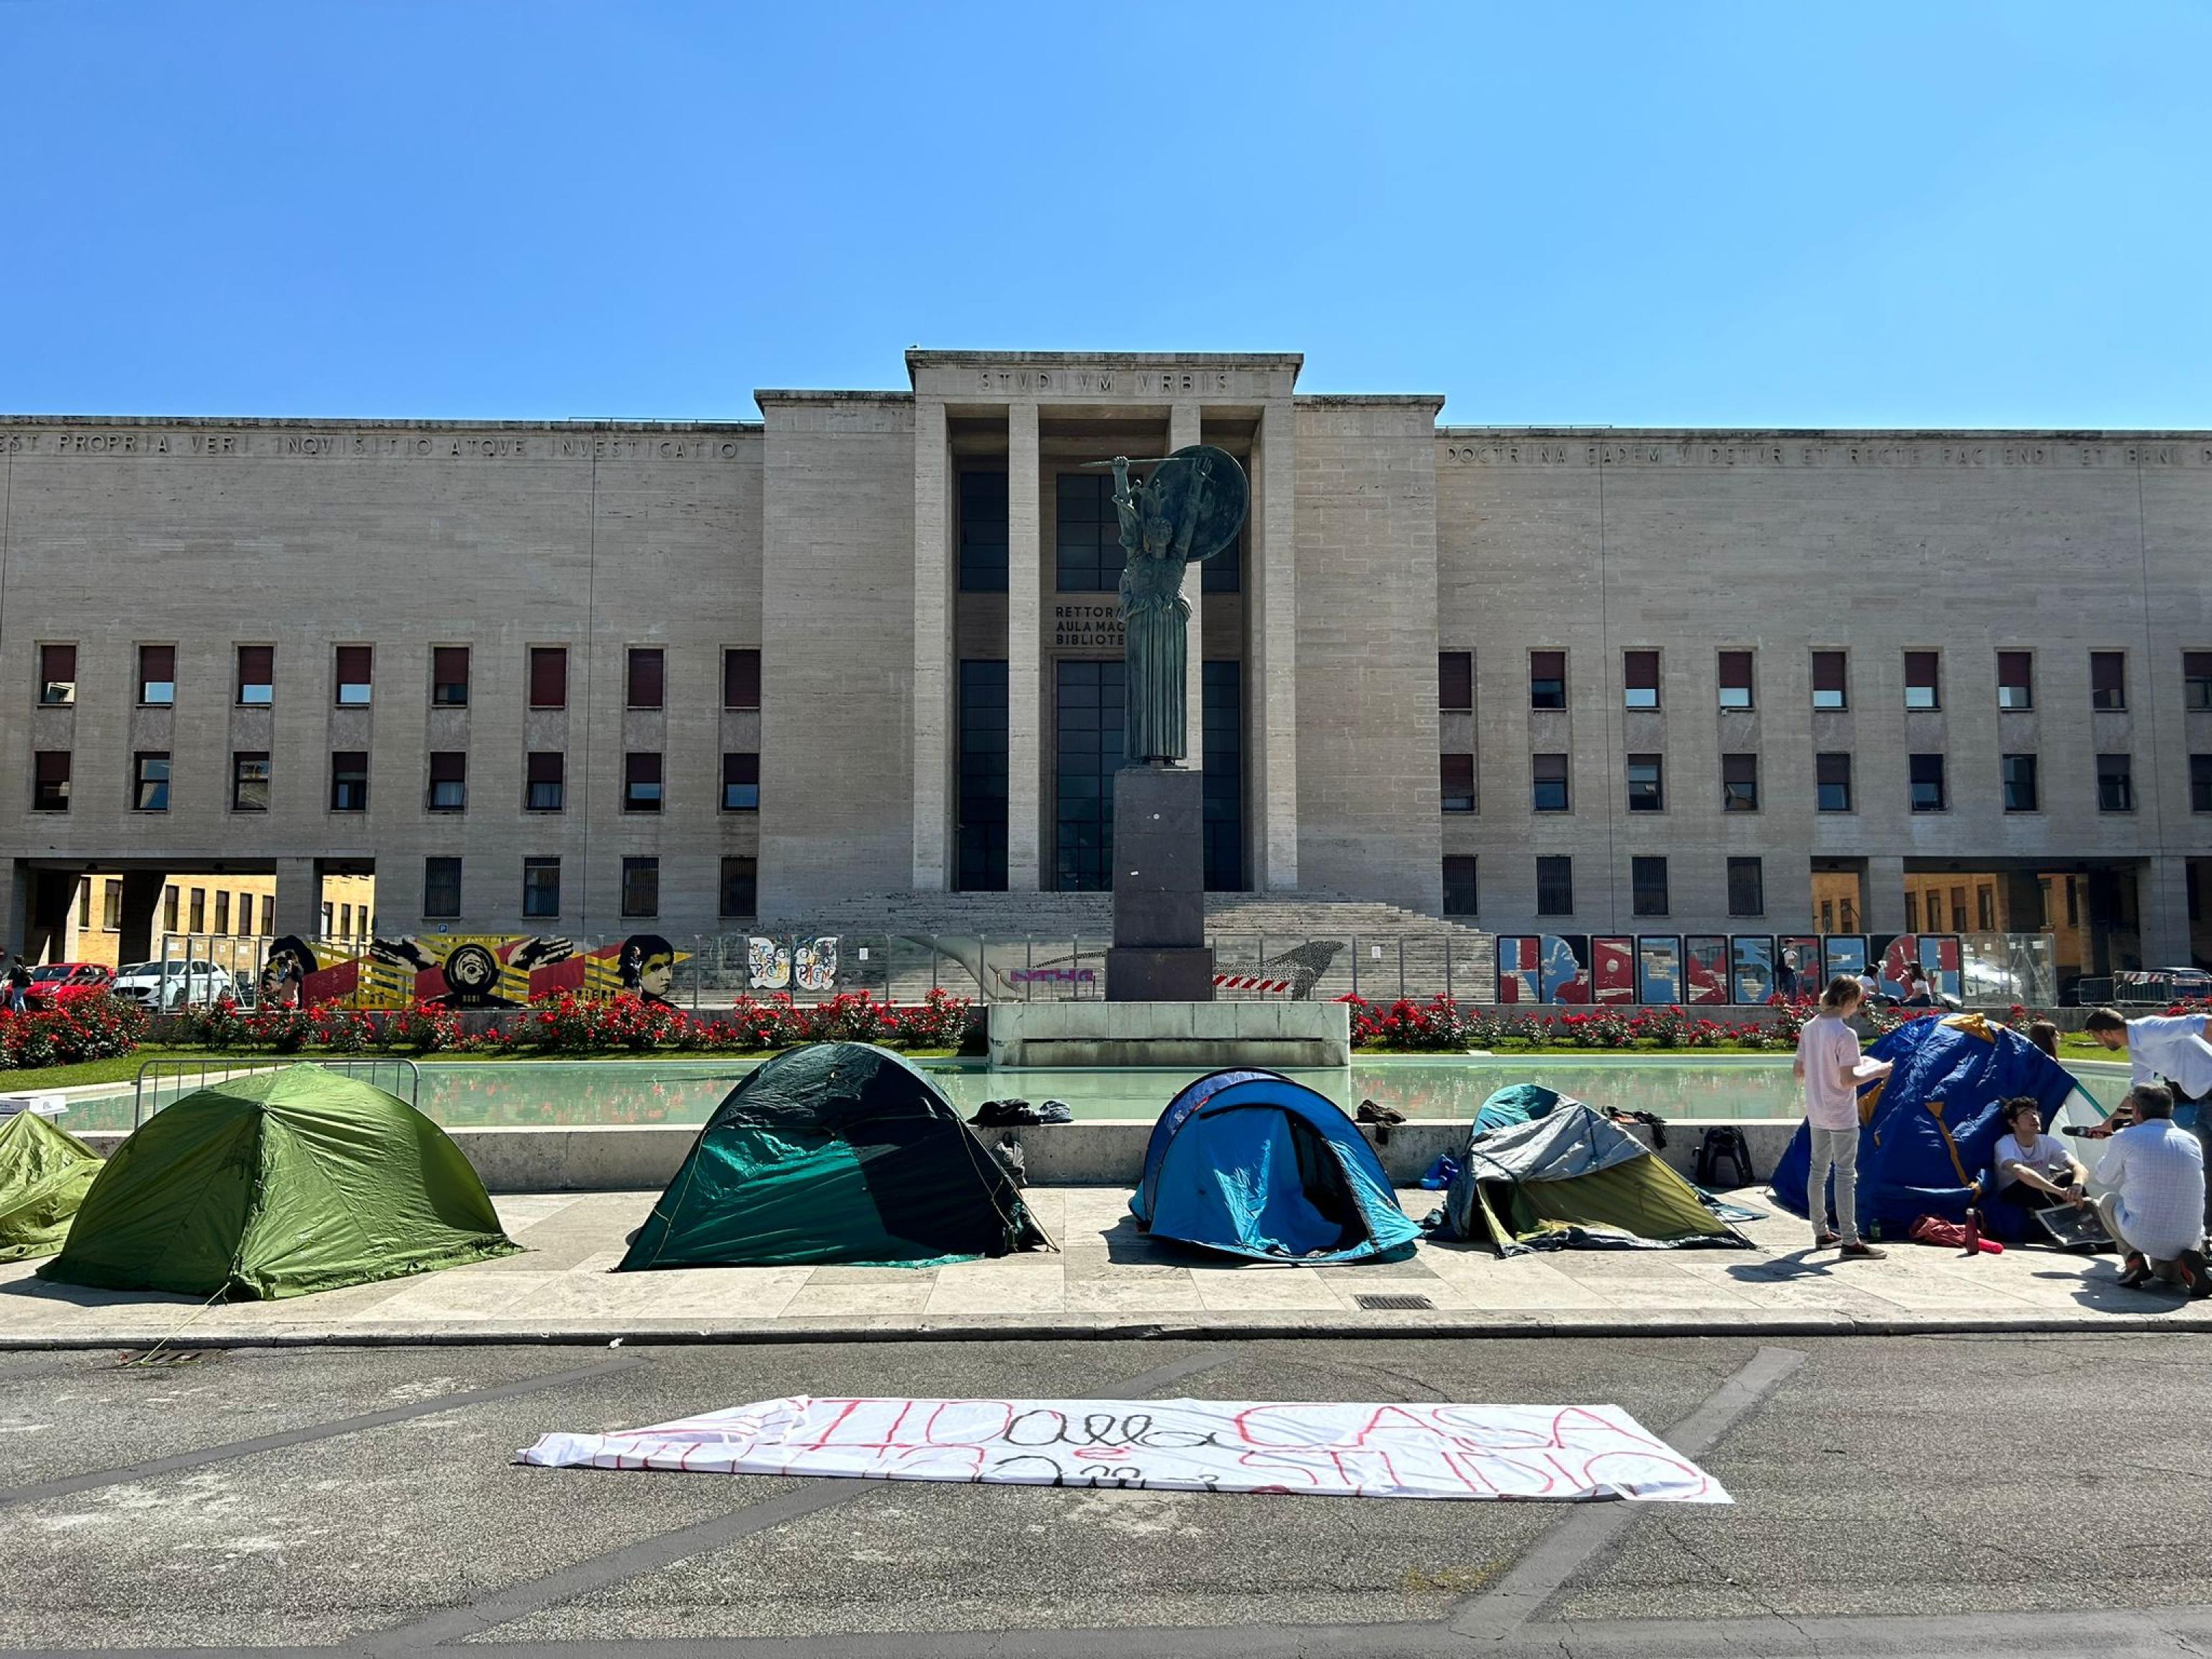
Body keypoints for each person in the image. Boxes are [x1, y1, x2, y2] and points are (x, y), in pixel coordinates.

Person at [2084, 1004, 2212, 1229]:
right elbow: (2138, 1092)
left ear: (2106, 1033)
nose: (2099, 1043)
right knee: (2207, 1167)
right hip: (2204, 1100)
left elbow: (2204, 1022)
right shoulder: (2137, 1050)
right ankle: (2206, 1230)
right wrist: (2108, 1125)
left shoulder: (2149, 1028)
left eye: (2097, 1038)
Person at [1794, 975, 1892, 1258]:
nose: (1857, 1007)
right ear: (1848, 1000)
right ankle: (1850, 1240)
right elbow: (1848, 1080)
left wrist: (1825, 1070)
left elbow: (1799, 1071)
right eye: (1857, 1001)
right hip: (1840, 1113)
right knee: (1846, 1175)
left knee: (1818, 1171)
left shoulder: (1809, 1027)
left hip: (1817, 1110)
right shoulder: (1845, 1034)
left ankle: (1822, 1233)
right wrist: (1879, 1070)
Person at [2092, 1084, 2210, 1295]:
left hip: (2143, 1234)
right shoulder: (2192, 1140)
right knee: (2164, 1273)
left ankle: (2133, 1259)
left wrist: (2115, 1141)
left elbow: (2103, 1176)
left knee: (2106, 1201)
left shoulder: (2126, 1137)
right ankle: (2186, 1265)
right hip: (2189, 1238)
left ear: (2136, 1110)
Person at [1990, 1097, 2090, 1228]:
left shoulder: (2047, 1142)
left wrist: (2077, 1186)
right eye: (2026, 1114)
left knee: (2070, 1178)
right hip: (2015, 1194)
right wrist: (2059, 1191)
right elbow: (2019, 1171)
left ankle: (2091, 1224)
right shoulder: (2005, 1143)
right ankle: (2063, 1227)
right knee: (2027, 1187)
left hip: (2045, 1190)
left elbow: (2079, 1167)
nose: (2033, 1117)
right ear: (2012, 1122)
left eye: (2035, 1113)